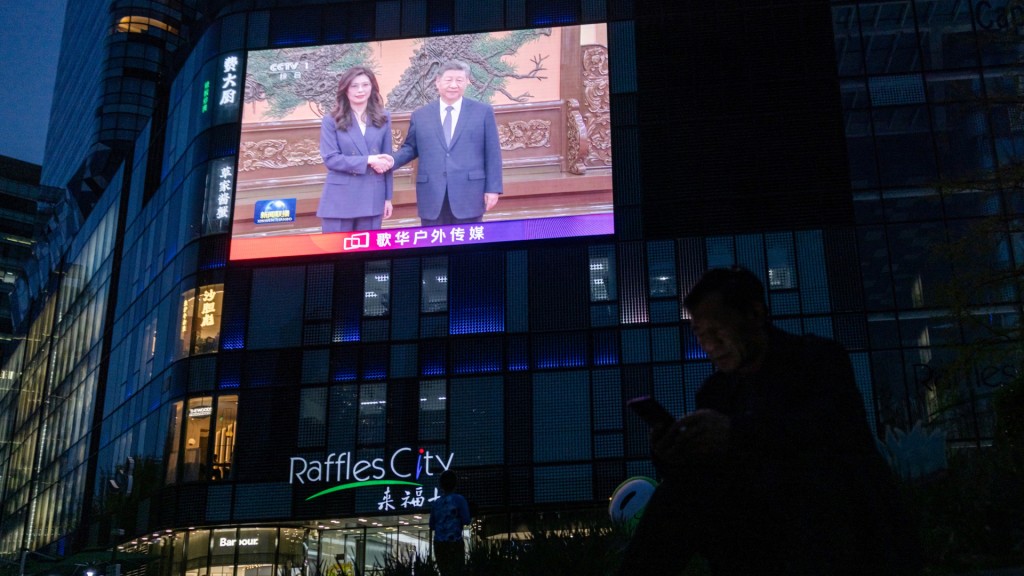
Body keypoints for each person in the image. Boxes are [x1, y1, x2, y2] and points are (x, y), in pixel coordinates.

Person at [618, 266, 922, 576]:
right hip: (756, 523)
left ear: (755, 314)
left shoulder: (818, 360)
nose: (710, 345)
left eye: (717, 329)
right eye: (700, 334)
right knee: (681, 491)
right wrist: (671, 452)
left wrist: (735, 434)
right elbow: (705, 474)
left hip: (831, 518)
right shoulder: (717, 392)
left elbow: (831, 433)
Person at [386, 60, 503, 226]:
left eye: (459, 80)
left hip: (469, 193)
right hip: (432, 194)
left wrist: (493, 189)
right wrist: (390, 161)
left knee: (469, 246)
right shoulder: (421, 116)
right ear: (437, 82)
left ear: (467, 82)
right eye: (448, 80)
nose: (453, 85)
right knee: (434, 245)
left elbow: (493, 153)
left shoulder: (482, 112)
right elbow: (410, 148)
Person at [317, 66, 394, 232]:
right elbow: (331, 159)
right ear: (345, 90)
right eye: (354, 86)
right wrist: (369, 159)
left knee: (368, 253)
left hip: (373, 195)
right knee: (336, 254)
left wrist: (388, 198)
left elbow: (387, 160)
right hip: (340, 198)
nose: (360, 90)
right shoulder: (331, 120)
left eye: (365, 85)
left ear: (372, 87)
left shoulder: (384, 117)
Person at [430, 470, 471, 576]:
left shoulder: (436, 503)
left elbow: (431, 525)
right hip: (454, 542)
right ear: (455, 484)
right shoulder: (459, 500)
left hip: (439, 544)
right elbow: (467, 520)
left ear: (441, 485)